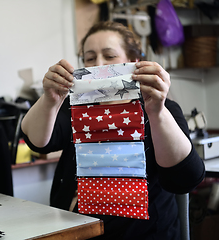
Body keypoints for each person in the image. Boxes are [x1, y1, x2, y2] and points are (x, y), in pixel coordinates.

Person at [20, 21, 205, 239]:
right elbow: (37, 141)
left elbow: (186, 177)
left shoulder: (162, 109)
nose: (98, 64)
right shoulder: (74, 106)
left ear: (134, 61)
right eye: (89, 58)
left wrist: (157, 113)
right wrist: (49, 99)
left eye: (109, 56)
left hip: (144, 233)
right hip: (77, 230)